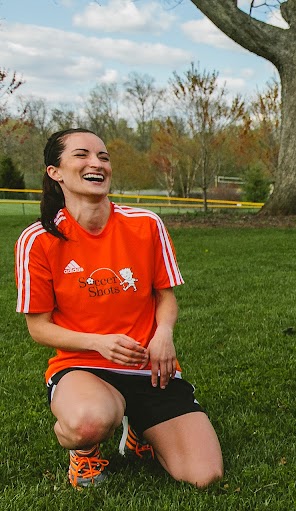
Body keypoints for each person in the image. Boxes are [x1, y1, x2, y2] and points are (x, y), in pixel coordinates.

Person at [14, 128, 223, 489]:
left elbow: (165, 296)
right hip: (83, 368)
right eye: (82, 155)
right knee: (87, 421)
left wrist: (164, 334)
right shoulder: (38, 240)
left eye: (104, 157)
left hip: (149, 368)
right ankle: (85, 454)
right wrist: (98, 342)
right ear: (55, 172)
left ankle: (139, 430)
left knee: (205, 476)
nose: (96, 163)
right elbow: (39, 328)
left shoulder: (146, 224)